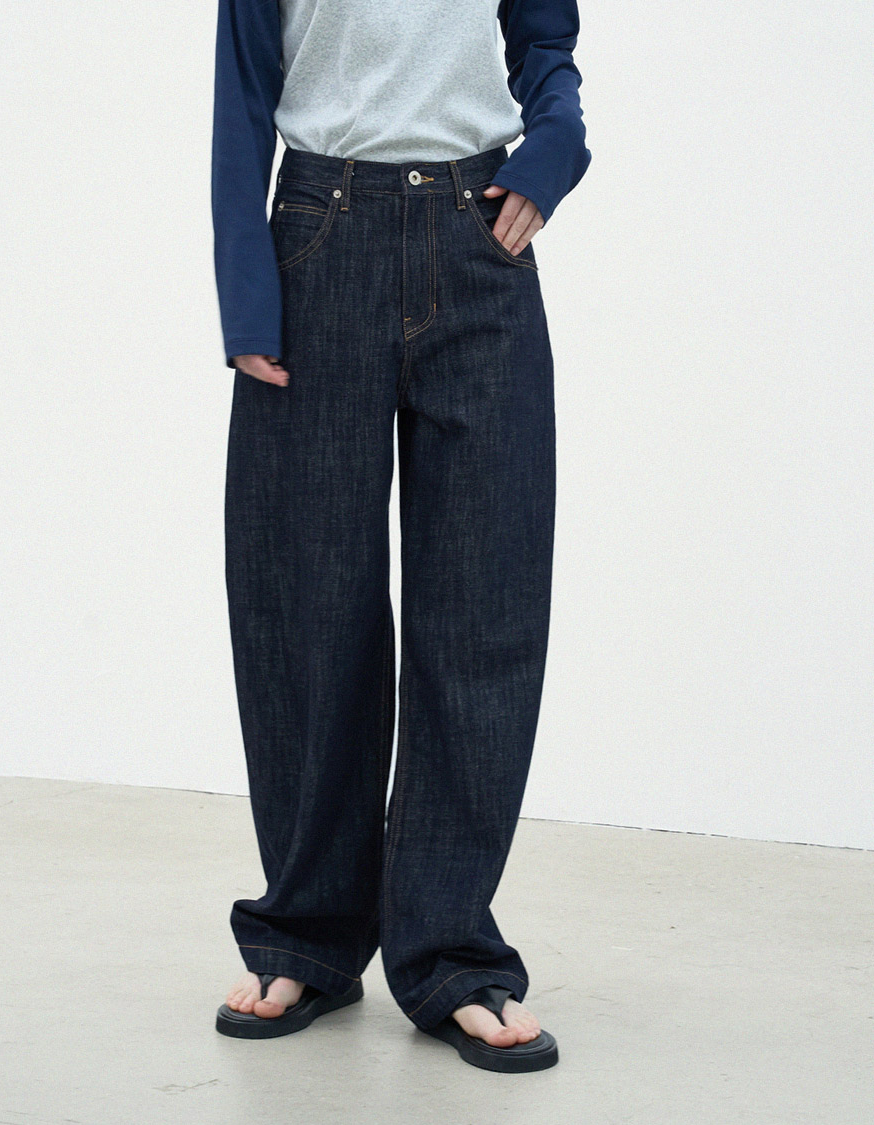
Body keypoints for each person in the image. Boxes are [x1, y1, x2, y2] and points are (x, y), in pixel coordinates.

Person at [209, 0, 591, 1073]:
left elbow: (547, 43)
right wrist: (246, 291)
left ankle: (450, 950)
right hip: (317, 237)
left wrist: (556, 146)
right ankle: (306, 933)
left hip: (481, 233)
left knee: (485, 608)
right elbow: (243, 87)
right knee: (305, 607)